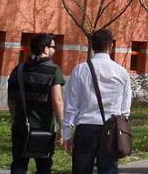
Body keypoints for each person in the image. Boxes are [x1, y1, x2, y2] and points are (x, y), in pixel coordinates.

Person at [62, 29, 132, 174]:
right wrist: (121, 127)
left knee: (81, 170)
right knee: (109, 169)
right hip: (111, 128)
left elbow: (71, 106)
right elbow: (125, 108)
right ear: (111, 46)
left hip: (85, 127)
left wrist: (66, 134)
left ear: (92, 46)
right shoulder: (121, 72)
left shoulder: (80, 70)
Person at [7, 33, 65, 174]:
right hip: (43, 127)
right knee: (44, 167)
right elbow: (57, 100)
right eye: (53, 47)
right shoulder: (53, 70)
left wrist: (14, 117)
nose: (54, 50)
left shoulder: (19, 69)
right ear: (45, 49)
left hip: (21, 125)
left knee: (18, 165)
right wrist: (62, 125)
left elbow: (11, 98)